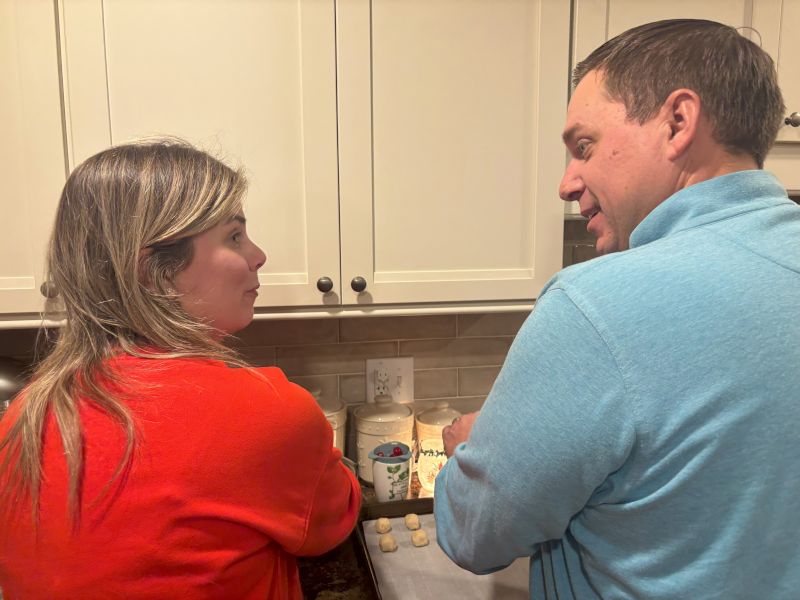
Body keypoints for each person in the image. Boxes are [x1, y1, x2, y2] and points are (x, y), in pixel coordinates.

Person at [434, 19, 799, 599]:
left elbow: (474, 534)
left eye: (585, 146)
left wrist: (472, 455)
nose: (566, 182)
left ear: (678, 122)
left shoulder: (594, 304)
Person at [0, 139, 361, 599]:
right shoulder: (260, 410)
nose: (258, 255)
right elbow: (330, 521)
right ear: (156, 273)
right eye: (234, 236)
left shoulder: (26, 414)